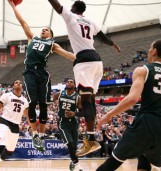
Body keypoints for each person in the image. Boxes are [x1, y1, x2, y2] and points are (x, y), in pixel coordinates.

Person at [96, 39, 161, 171]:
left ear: (154, 51)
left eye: (149, 50)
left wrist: (109, 114)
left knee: (113, 161)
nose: (148, 52)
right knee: (144, 159)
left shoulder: (144, 70)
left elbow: (132, 99)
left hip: (146, 122)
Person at [48, 0, 121, 156]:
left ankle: (91, 140)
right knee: (90, 101)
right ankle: (92, 138)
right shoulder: (90, 21)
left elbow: (56, 5)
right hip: (97, 61)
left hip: (84, 61)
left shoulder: (70, 16)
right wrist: (113, 44)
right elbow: (103, 38)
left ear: (74, 8)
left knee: (86, 101)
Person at [8, 0, 76, 151]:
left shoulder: (53, 44)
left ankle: (42, 134)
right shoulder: (32, 38)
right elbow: (23, 22)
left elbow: (67, 54)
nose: (43, 30)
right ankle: (35, 134)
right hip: (30, 71)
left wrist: (82, 58)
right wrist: (13, 6)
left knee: (43, 104)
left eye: (46, 29)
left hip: (42, 73)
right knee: (32, 102)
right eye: (42, 29)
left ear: (51, 35)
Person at [53, 78, 83, 171]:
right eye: (68, 82)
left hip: (74, 122)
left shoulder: (78, 97)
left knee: (74, 147)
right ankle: (79, 167)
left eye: (71, 82)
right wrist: (55, 107)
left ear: (74, 85)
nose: (69, 83)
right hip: (63, 122)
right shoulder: (60, 93)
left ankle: (73, 161)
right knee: (70, 144)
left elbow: (82, 112)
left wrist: (74, 113)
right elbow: (52, 99)